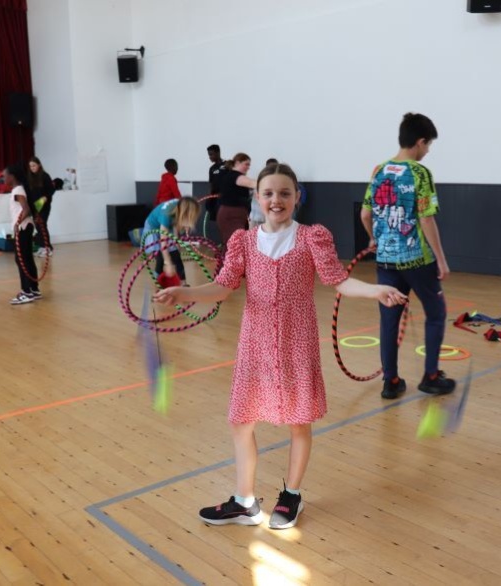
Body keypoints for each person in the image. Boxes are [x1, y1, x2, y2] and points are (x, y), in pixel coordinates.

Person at [154, 163, 406, 529]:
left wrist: (375, 290)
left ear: (297, 198)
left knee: (298, 423)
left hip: (296, 342)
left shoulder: (312, 237)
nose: (276, 200)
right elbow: (224, 286)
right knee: (241, 421)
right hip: (254, 345)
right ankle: (244, 502)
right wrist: (184, 292)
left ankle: (292, 495)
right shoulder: (243, 239)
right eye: (269, 193)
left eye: (285, 193)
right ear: (257, 198)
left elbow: (337, 280)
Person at [360, 112, 454, 400]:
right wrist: (441, 258)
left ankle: (391, 382)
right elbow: (427, 220)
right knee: (436, 313)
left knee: (389, 320)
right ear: (420, 142)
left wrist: (374, 238)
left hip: (386, 261)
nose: (427, 152)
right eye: (428, 146)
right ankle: (431, 376)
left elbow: (365, 213)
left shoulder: (379, 170)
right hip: (418, 261)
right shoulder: (420, 173)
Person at [142, 197, 201, 286]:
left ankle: (183, 284)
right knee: (161, 257)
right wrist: (168, 263)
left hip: (168, 226)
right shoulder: (166, 216)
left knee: (176, 255)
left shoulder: (179, 206)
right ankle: (158, 284)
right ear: (184, 214)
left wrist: (176, 241)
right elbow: (163, 243)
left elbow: (175, 225)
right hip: (153, 227)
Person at [5, 165, 41, 305]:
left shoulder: (18, 190)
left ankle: (26, 292)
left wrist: (17, 223)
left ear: (12, 177)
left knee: (21, 260)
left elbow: (26, 209)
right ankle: (34, 289)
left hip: (23, 227)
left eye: (5, 175)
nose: (4, 178)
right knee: (27, 258)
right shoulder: (20, 189)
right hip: (27, 227)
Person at [217, 153, 256, 245]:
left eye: (249, 165)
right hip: (231, 215)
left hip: (236, 214)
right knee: (235, 244)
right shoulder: (235, 176)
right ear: (238, 163)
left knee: (236, 244)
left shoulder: (233, 176)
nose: (248, 167)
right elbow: (254, 183)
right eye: (246, 164)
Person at [26, 156, 56, 258]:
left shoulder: (45, 176)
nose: (32, 168)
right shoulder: (30, 177)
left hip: (44, 205)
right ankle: (42, 247)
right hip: (35, 205)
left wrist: (46, 197)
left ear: (39, 165)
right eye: (30, 166)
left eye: (34, 165)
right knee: (38, 226)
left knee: (42, 224)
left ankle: (48, 248)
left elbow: (51, 189)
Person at [205, 144, 224, 221]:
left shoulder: (226, 165)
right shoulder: (212, 168)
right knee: (217, 218)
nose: (210, 157)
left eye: (211, 154)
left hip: (224, 197)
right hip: (215, 198)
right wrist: (209, 198)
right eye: (209, 155)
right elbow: (211, 184)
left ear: (218, 153)